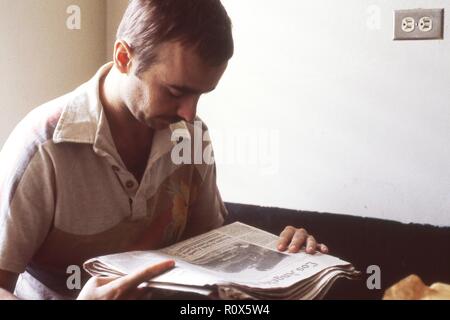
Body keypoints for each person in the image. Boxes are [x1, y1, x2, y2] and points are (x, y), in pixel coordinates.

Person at [0, 0, 328, 300]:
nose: (189, 113)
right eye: (175, 91)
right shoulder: (42, 148)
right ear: (124, 57)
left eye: (202, 94)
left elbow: (212, 256)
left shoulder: (191, 136)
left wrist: (281, 252)